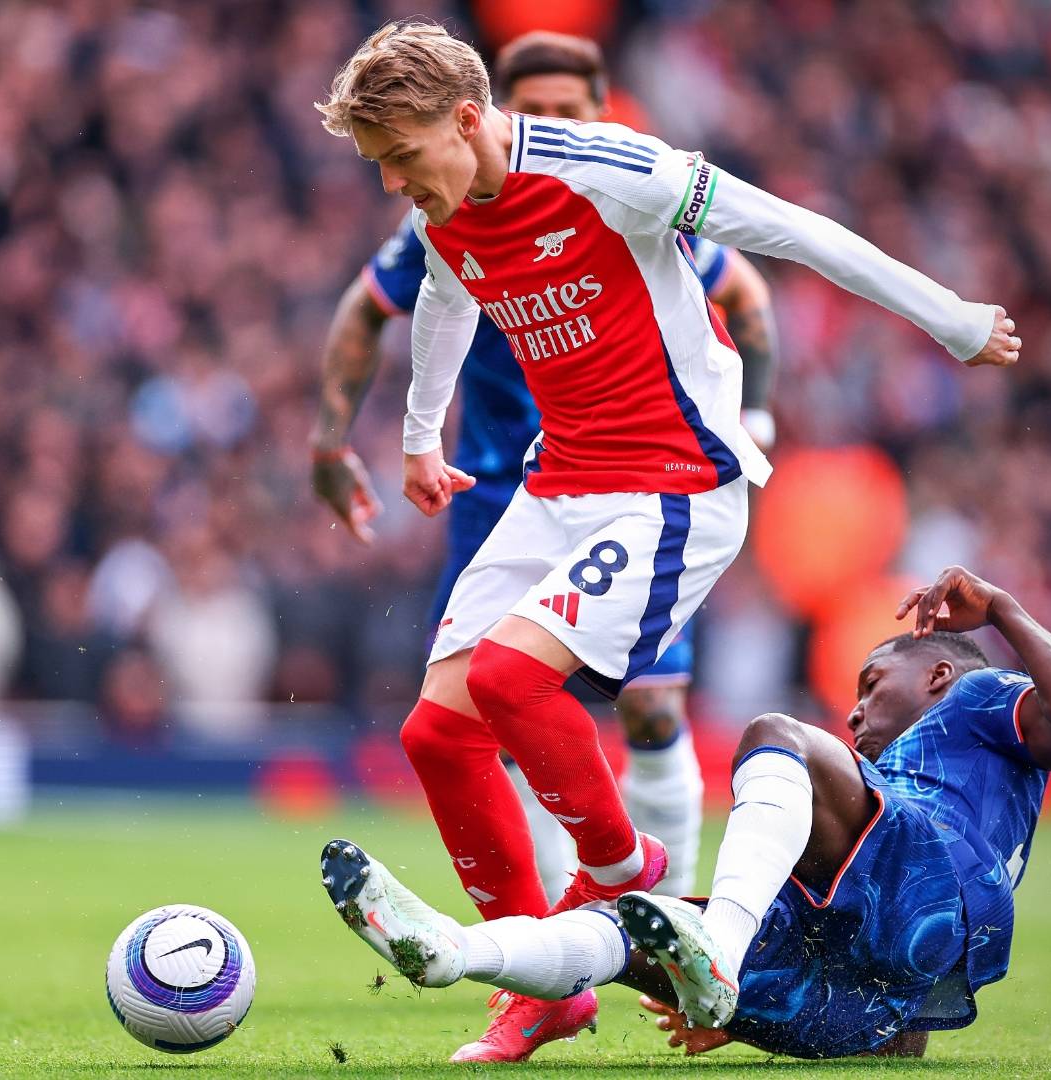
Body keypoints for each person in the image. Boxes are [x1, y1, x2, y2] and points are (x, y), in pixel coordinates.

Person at [314, 23, 1020, 1061]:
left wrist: (951, 317)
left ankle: (622, 874)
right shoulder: (445, 208)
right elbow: (444, 298)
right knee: (437, 735)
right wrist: (421, 436)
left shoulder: (612, 172)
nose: (393, 184)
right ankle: (544, 988)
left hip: (674, 485)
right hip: (556, 485)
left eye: (402, 157)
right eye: (379, 165)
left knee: (511, 679)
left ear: (466, 120)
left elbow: (793, 231)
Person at [312, 28, 782, 920]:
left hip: (646, 479)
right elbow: (366, 309)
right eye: (537, 108)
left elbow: (748, 291)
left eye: (571, 111)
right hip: (502, 488)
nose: (552, 123)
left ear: (599, 114)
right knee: (474, 714)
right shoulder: (443, 205)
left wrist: (750, 419)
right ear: (487, 113)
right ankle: (549, 946)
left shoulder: (621, 195)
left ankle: (660, 912)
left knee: (647, 706)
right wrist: (334, 441)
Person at [321, 565, 1051, 1060]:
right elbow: (907, 1015)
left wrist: (1003, 609)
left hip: (922, 886)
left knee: (777, 736)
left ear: (939, 675)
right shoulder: (885, 802)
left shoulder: (975, 699)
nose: (854, 712)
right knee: (626, 926)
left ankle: (721, 955)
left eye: (872, 685)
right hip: (870, 1003)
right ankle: (454, 951)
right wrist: (745, 1019)